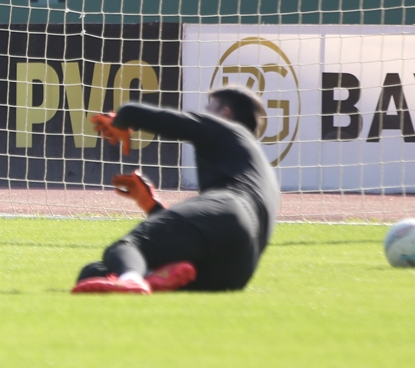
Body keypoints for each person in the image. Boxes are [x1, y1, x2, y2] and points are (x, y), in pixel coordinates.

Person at [72, 86, 280, 294]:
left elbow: (131, 111)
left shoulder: (229, 130)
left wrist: (120, 121)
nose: (205, 113)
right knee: (95, 272)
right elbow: (208, 232)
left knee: (127, 247)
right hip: (235, 271)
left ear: (225, 114)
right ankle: (147, 278)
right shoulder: (258, 168)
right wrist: (151, 206)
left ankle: (133, 281)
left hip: (229, 211)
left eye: (210, 108)